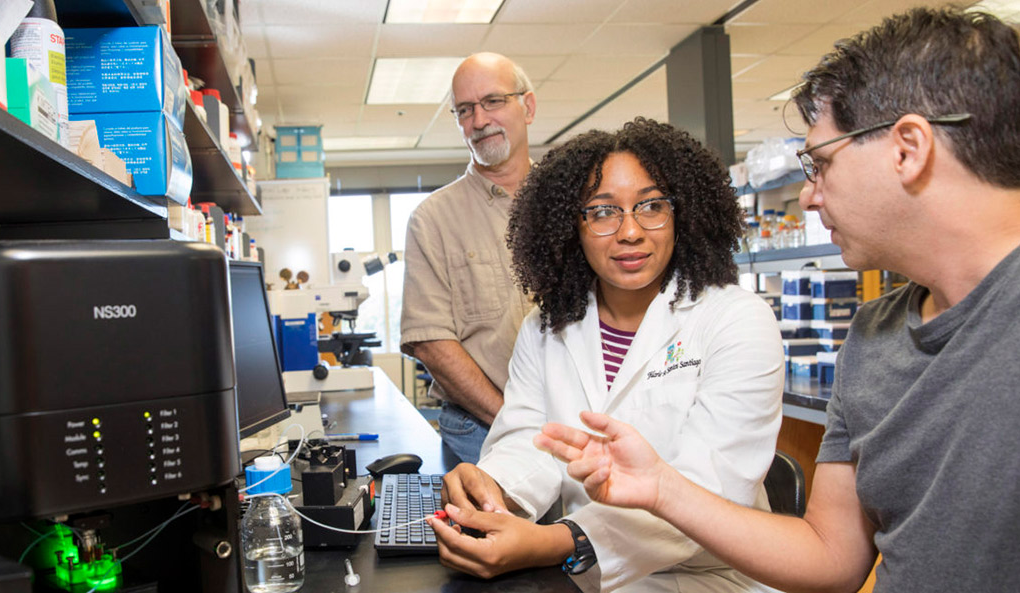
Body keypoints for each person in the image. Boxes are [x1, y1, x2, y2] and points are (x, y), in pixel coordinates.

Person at [535, 7, 1020, 593]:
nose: (810, 197)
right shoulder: (875, 336)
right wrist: (664, 488)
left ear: (908, 148)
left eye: (820, 163)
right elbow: (832, 557)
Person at [428, 118, 785, 592]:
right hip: (586, 573)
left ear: (685, 214)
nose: (630, 232)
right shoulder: (546, 327)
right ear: (568, 227)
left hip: (711, 575)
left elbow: (710, 487)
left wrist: (560, 540)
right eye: (602, 212)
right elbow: (528, 439)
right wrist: (494, 495)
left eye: (652, 206)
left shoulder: (737, 319)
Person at [400, 53, 537, 464]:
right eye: (465, 110)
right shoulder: (433, 220)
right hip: (482, 430)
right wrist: (515, 422)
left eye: (493, 101)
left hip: (579, 426)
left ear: (527, 106)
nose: (478, 121)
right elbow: (431, 342)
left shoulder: (574, 204)